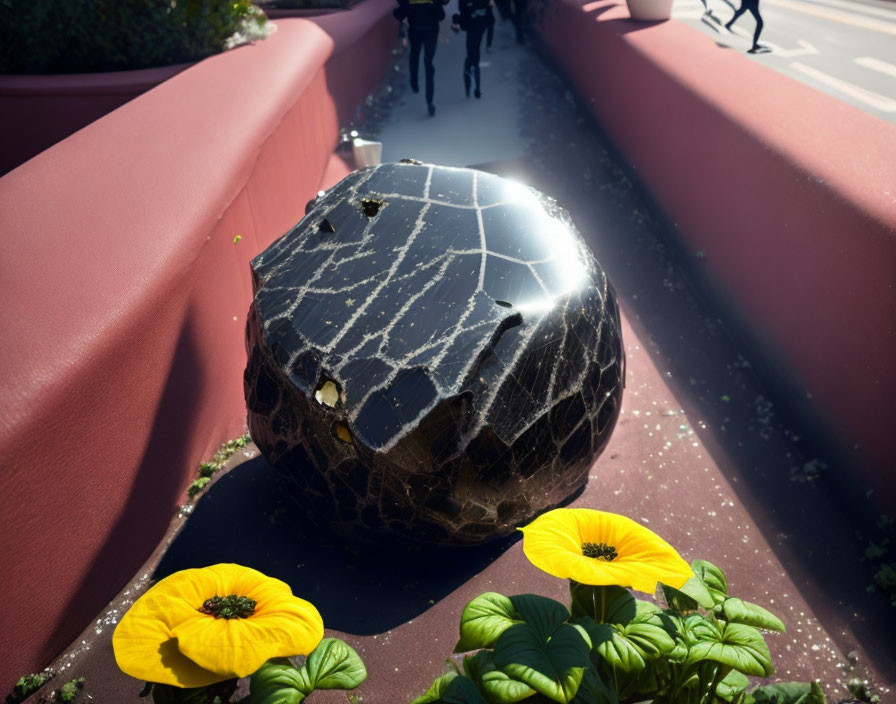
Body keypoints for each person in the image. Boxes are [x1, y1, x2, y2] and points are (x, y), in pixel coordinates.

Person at [394, 0, 447, 116]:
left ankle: (414, 83)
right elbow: (441, 16)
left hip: (415, 30)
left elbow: (398, 14)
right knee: (429, 64)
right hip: (431, 32)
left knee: (414, 55)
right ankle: (429, 102)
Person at [452, 0, 495, 97]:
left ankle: (472, 85)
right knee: (474, 54)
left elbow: (461, 10)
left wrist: (457, 22)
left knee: (473, 55)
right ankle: (476, 87)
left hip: (473, 24)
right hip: (478, 23)